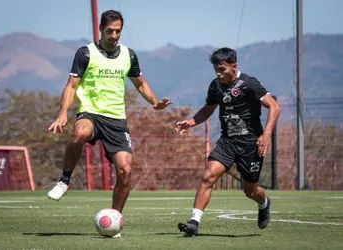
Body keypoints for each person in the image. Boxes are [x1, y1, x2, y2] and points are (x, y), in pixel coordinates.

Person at [47, 10, 171, 222]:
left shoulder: (128, 55)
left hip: (116, 119)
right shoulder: (85, 53)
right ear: (101, 29)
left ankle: (115, 219)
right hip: (91, 112)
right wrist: (62, 114)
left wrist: (155, 102)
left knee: (125, 171)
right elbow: (71, 86)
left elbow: (140, 83)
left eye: (118, 32)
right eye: (110, 31)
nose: (114, 36)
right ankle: (64, 180)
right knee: (80, 132)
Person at [175, 47, 280, 236]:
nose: (218, 73)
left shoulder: (249, 83)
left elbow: (274, 106)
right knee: (208, 176)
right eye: (216, 69)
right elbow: (208, 108)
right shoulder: (215, 86)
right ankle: (194, 222)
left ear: (234, 67)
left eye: (222, 69)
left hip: (250, 145)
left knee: (250, 191)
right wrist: (190, 122)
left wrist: (266, 135)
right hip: (227, 142)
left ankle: (264, 203)